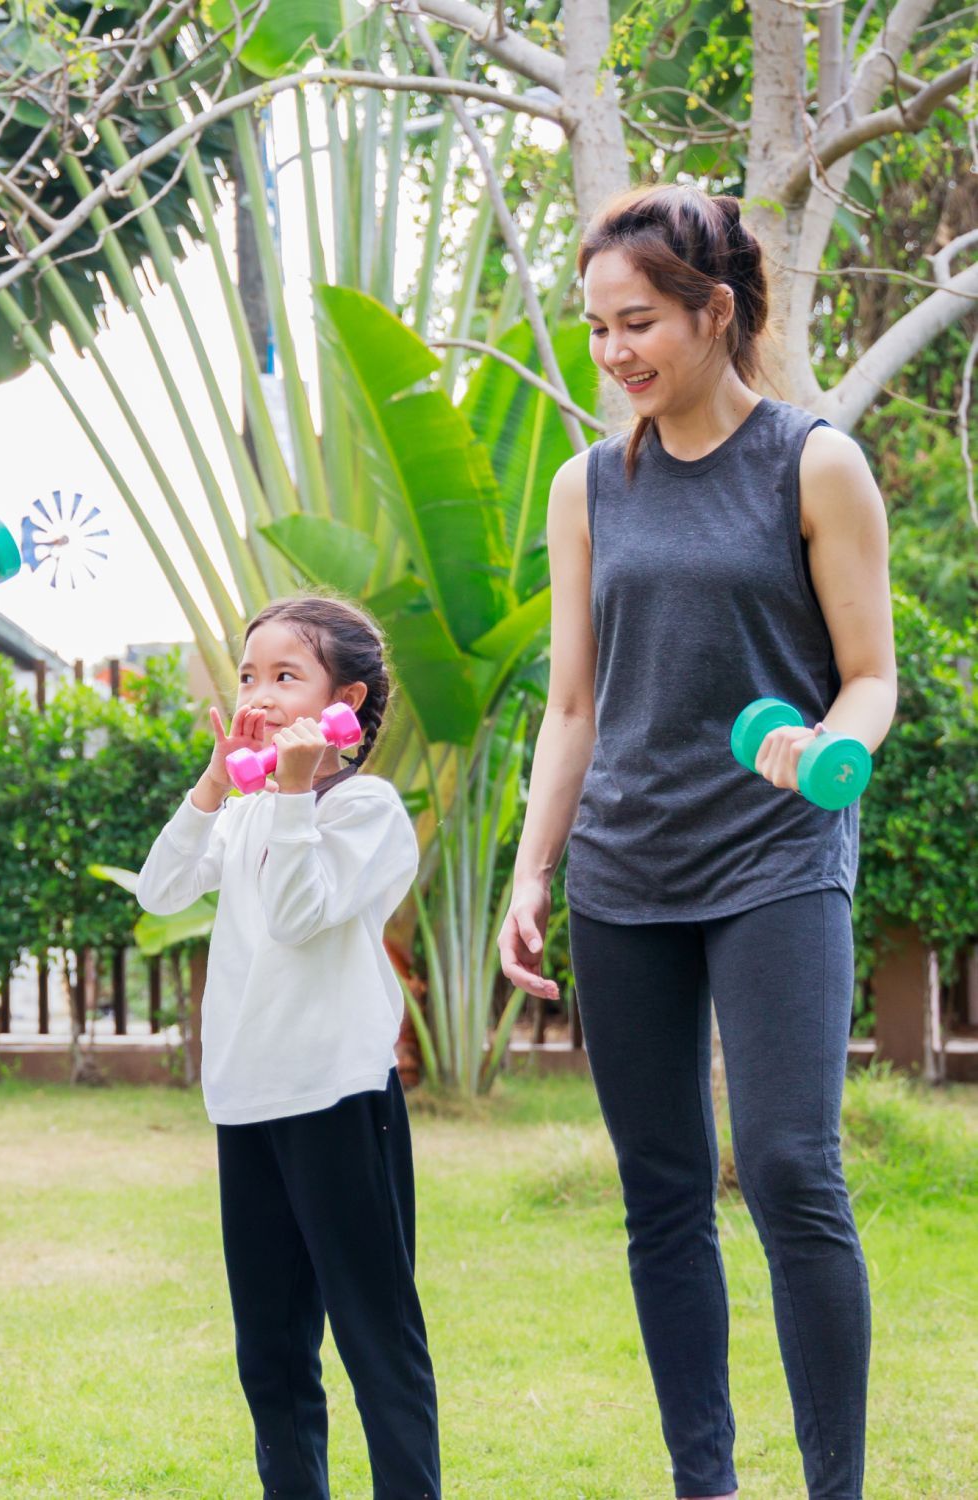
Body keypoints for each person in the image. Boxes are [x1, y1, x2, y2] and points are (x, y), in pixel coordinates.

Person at [499, 184, 896, 1500]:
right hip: (626, 872)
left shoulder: (813, 461)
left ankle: (832, 1485)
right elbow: (574, 701)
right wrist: (533, 867)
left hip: (777, 855)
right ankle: (704, 1484)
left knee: (791, 1167)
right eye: (599, 328)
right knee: (664, 1189)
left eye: (640, 324)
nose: (615, 354)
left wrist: (831, 749)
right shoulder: (585, 485)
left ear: (715, 313)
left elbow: (871, 674)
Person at [137, 596, 441, 1500]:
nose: (258, 695)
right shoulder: (244, 809)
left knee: (375, 1339)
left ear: (342, 701)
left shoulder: (367, 809)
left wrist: (295, 795)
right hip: (248, 1100)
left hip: (340, 1098)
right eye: (248, 675)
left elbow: (301, 913)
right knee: (271, 1352)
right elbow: (159, 892)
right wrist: (214, 785)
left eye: (285, 676)